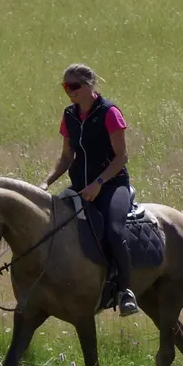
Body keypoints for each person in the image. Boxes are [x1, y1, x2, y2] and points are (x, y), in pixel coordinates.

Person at [44, 64, 139, 316]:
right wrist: (46, 183)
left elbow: (121, 157)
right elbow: (66, 157)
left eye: (74, 86)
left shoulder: (109, 113)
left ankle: (125, 291)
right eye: (65, 86)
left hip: (112, 185)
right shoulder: (69, 115)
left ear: (89, 85)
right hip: (79, 187)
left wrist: (98, 184)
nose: (69, 91)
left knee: (113, 229)